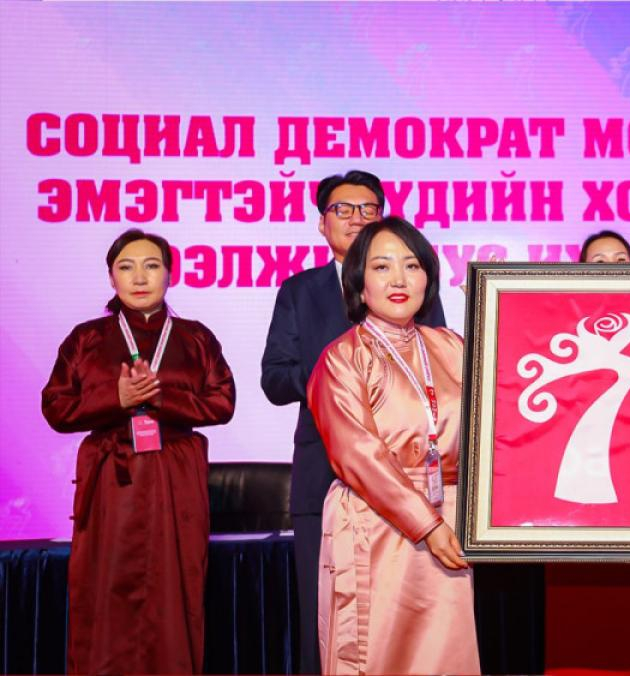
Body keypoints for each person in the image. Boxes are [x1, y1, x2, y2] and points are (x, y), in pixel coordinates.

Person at [260, 170, 446, 673]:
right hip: (324, 473)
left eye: (368, 208)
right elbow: (274, 380)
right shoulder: (299, 291)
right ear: (322, 223)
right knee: (324, 615)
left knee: (408, 616)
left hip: (409, 479)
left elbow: (439, 369)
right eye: (343, 209)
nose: (357, 217)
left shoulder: (412, 285)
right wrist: (339, 371)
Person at [42, 228, 235, 673]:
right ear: (111, 278)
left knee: (175, 586)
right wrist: (116, 399)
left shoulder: (195, 337)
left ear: (170, 274)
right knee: (105, 585)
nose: (140, 277)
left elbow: (223, 402)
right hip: (112, 477)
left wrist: (160, 397)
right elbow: (55, 406)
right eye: (126, 267)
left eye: (152, 265)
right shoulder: (87, 338)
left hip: (176, 476)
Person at [307, 217, 479, 674]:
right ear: (359, 284)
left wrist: (495, 311)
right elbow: (358, 456)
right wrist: (427, 524)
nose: (399, 279)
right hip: (377, 522)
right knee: (380, 652)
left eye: (412, 265)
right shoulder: (343, 357)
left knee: (447, 652)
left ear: (428, 278)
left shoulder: (452, 346)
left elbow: (499, 416)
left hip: (451, 517)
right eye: (382, 267)